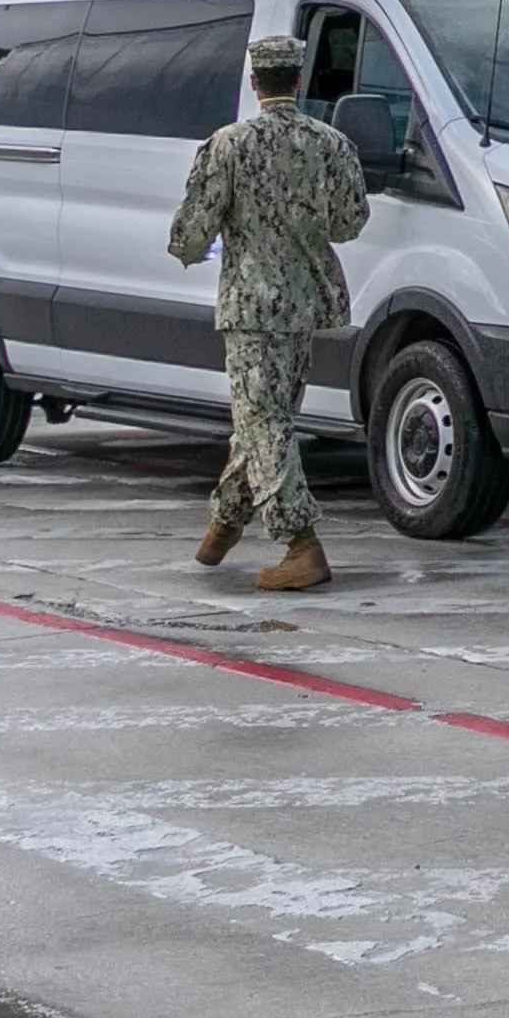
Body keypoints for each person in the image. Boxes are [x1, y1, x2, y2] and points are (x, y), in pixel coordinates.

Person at [174, 33, 371, 596]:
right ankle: (224, 524)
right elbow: (350, 223)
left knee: (263, 422)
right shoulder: (332, 144)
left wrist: (190, 247)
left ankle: (301, 545)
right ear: (299, 81)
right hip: (305, 302)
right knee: (267, 418)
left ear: (255, 82)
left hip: (251, 305)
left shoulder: (228, 144)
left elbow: (192, 232)